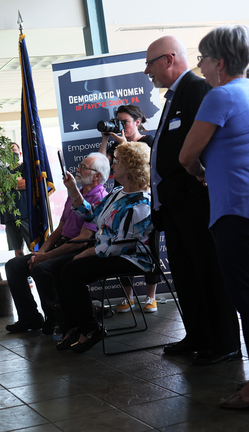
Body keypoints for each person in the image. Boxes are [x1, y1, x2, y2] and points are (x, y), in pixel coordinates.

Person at [179, 24, 249, 409]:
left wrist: (203, 173)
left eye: (203, 59)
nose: (201, 66)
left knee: (247, 298)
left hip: (236, 207)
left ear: (220, 63)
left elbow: (186, 156)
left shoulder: (219, 96)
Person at [143, 35, 241, 365]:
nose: (148, 72)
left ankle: (225, 343)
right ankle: (198, 335)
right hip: (173, 206)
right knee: (186, 275)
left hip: (195, 202)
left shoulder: (197, 90)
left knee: (209, 272)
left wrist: (193, 185)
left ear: (169, 60)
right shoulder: (174, 96)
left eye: (150, 64)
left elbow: (206, 145)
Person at [55, 142, 153, 353]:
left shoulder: (143, 201)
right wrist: (73, 189)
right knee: (58, 268)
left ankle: (90, 329)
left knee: (71, 271)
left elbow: (124, 244)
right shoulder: (117, 193)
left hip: (131, 257)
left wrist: (90, 252)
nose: (113, 164)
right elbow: (91, 215)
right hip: (108, 251)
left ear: (132, 167)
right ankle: (74, 327)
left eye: (117, 161)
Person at [4, 152, 109, 334]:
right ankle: (30, 317)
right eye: (80, 165)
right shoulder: (75, 193)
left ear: (97, 176)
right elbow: (59, 229)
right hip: (61, 244)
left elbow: (81, 241)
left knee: (41, 269)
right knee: (14, 266)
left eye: (84, 167)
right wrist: (40, 253)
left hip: (79, 248)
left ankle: (56, 318)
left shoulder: (100, 198)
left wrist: (45, 257)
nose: (78, 169)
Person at [97, 105, 160, 313]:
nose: (121, 125)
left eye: (125, 121)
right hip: (120, 196)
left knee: (149, 246)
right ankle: (128, 297)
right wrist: (107, 138)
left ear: (137, 122)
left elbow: (150, 167)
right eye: (118, 121)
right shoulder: (116, 145)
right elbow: (101, 166)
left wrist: (124, 145)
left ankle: (151, 297)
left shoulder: (148, 142)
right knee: (118, 242)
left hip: (142, 200)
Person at [0, 143, 33, 257]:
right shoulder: (3, 171)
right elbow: (0, 187)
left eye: (14, 149)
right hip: (9, 214)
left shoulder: (26, 167)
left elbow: (27, 184)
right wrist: (16, 182)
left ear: (20, 153)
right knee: (17, 249)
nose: (12, 153)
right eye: (9, 151)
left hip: (25, 212)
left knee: (33, 246)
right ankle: (22, 273)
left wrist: (8, 183)